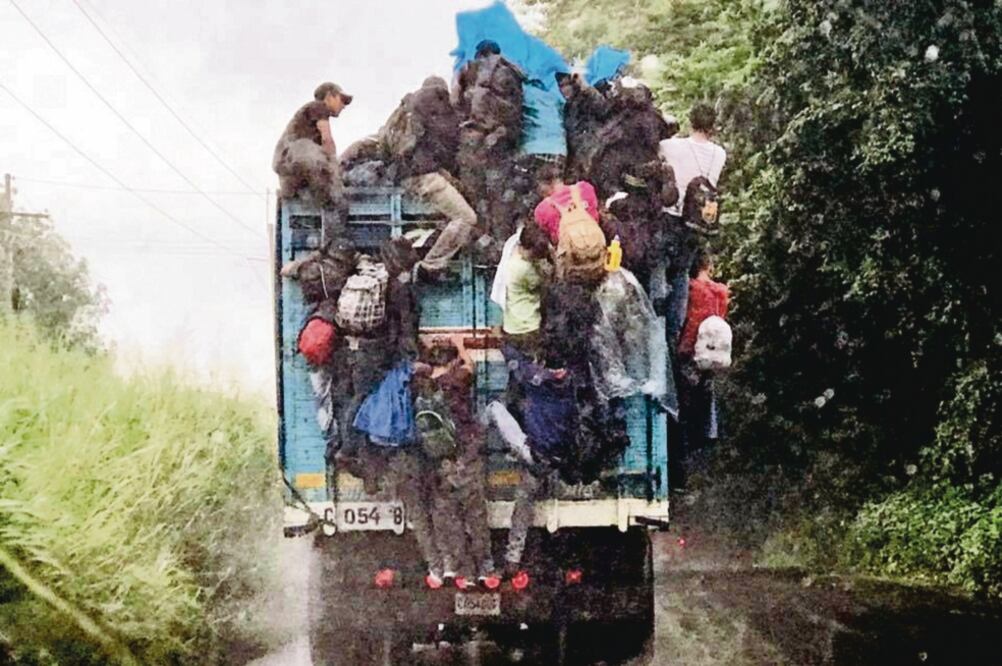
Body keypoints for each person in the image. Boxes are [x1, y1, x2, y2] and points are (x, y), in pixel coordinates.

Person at [412, 335, 499, 590]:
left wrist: (427, 347)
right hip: (468, 458)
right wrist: (461, 345)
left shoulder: (424, 387)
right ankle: (485, 568)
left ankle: (466, 572)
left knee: (451, 520)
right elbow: (470, 367)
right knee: (475, 516)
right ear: (452, 363)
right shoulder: (458, 380)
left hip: (441, 465)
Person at [380, 76, 476, 276]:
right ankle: (431, 265)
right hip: (425, 177)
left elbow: (384, 146)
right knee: (466, 217)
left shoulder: (404, 110)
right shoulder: (434, 110)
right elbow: (449, 147)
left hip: (405, 177)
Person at [659, 103, 727, 342]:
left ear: (690, 121)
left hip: (669, 217)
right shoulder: (720, 154)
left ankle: (656, 325)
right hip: (695, 223)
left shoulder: (670, 146)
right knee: (681, 274)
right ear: (713, 127)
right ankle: (674, 334)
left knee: (659, 268)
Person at [454, 41, 525, 253]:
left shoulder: (467, 69)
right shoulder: (511, 72)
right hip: (498, 141)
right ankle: (501, 247)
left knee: (474, 198)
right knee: (500, 197)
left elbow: (456, 101)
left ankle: (480, 246)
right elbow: (517, 112)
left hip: (471, 142)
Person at [673, 251, 729, 489]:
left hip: (687, 357)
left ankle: (680, 473)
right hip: (711, 360)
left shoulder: (691, 289)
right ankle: (704, 448)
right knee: (703, 408)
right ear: (709, 266)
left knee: (681, 416)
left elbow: (682, 320)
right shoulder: (721, 293)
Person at [273, 82, 353, 241]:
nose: (344, 105)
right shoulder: (318, 107)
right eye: (342, 99)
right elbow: (327, 139)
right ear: (330, 96)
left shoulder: (306, 127)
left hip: (287, 170)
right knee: (335, 194)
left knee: (319, 192)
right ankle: (333, 241)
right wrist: (335, 168)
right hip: (293, 155)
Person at [531, 168, 600, 245]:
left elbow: (547, 237)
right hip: (596, 244)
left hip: (568, 253)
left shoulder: (542, 210)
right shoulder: (586, 188)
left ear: (543, 187)